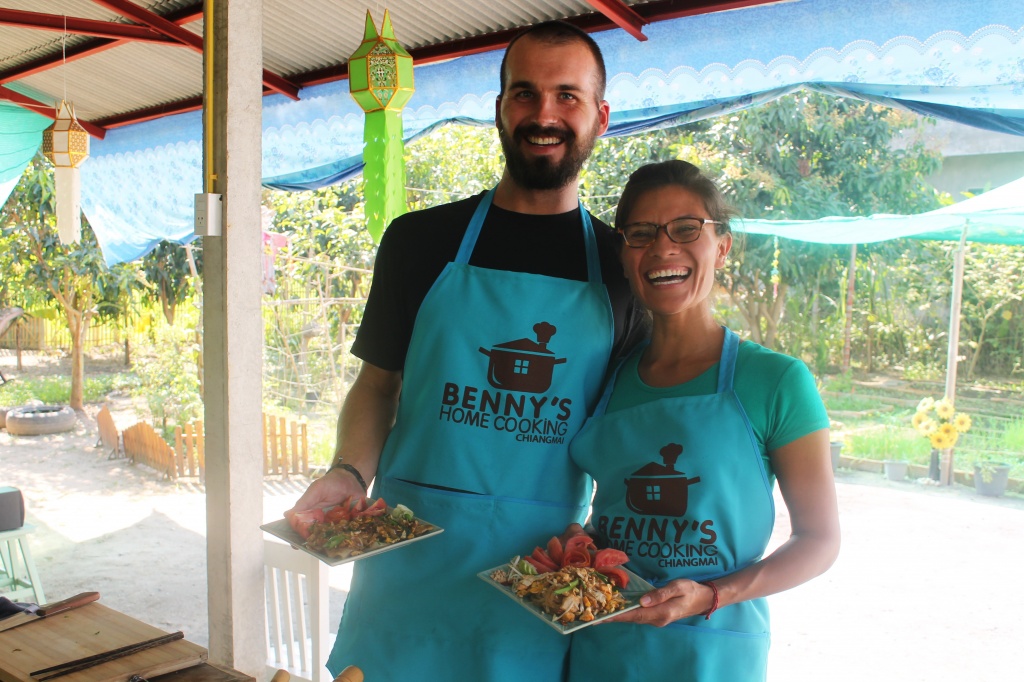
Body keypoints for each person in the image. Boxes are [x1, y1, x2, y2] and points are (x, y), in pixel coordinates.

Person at [286, 21, 646, 682]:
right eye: (525, 93)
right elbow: (377, 386)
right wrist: (349, 473)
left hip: (534, 579)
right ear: (501, 108)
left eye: (567, 96)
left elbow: (630, 432)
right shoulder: (419, 242)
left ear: (600, 117)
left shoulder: (623, 272)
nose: (544, 114)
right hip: (406, 567)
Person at [565, 160, 841, 681]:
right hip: (604, 645)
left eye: (686, 229)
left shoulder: (776, 380)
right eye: (642, 234)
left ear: (722, 246)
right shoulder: (604, 377)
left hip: (713, 651)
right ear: (624, 256)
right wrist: (582, 546)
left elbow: (820, 541)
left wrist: (714, 593)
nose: (663, 248)